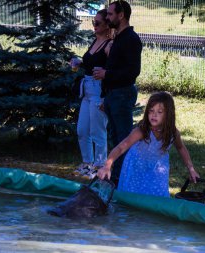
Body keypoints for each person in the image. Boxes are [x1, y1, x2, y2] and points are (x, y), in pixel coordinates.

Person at [97, 92, 200, 197]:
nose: (154, 115)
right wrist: (107, 166)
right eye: (151, 111)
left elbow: (181, 148)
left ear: (168, 114)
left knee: (158, 197)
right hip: (136, 169)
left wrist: (191, 169)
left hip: (158, 170)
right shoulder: (142, 131)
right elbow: (121, 147)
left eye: (159, 112)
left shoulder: (172, 133)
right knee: (133, 199)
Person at [92, 0, 142, 186]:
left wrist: (107, 74)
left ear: (121, 15)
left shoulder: (131, 39)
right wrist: (106, 95)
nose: (107, 17)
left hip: (123, 93)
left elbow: (132, 72)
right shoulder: (118, 38)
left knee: (123, 139)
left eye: (111, 14)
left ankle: (121, 180)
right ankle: (116, 178)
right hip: (113, 94)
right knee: (115, 138)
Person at [73, 9, 112, 179]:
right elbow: (90, 63)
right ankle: (87, 163)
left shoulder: (109, 45)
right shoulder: (95, 41)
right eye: (93, 22)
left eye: (97, 23)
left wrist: (107, 97)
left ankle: (99, 166)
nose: (94, 26)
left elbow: (113, 70)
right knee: (82, 130)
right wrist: (79, 63)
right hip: (87, 91)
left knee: (98, 131)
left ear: (106, 25)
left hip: (99, 91)